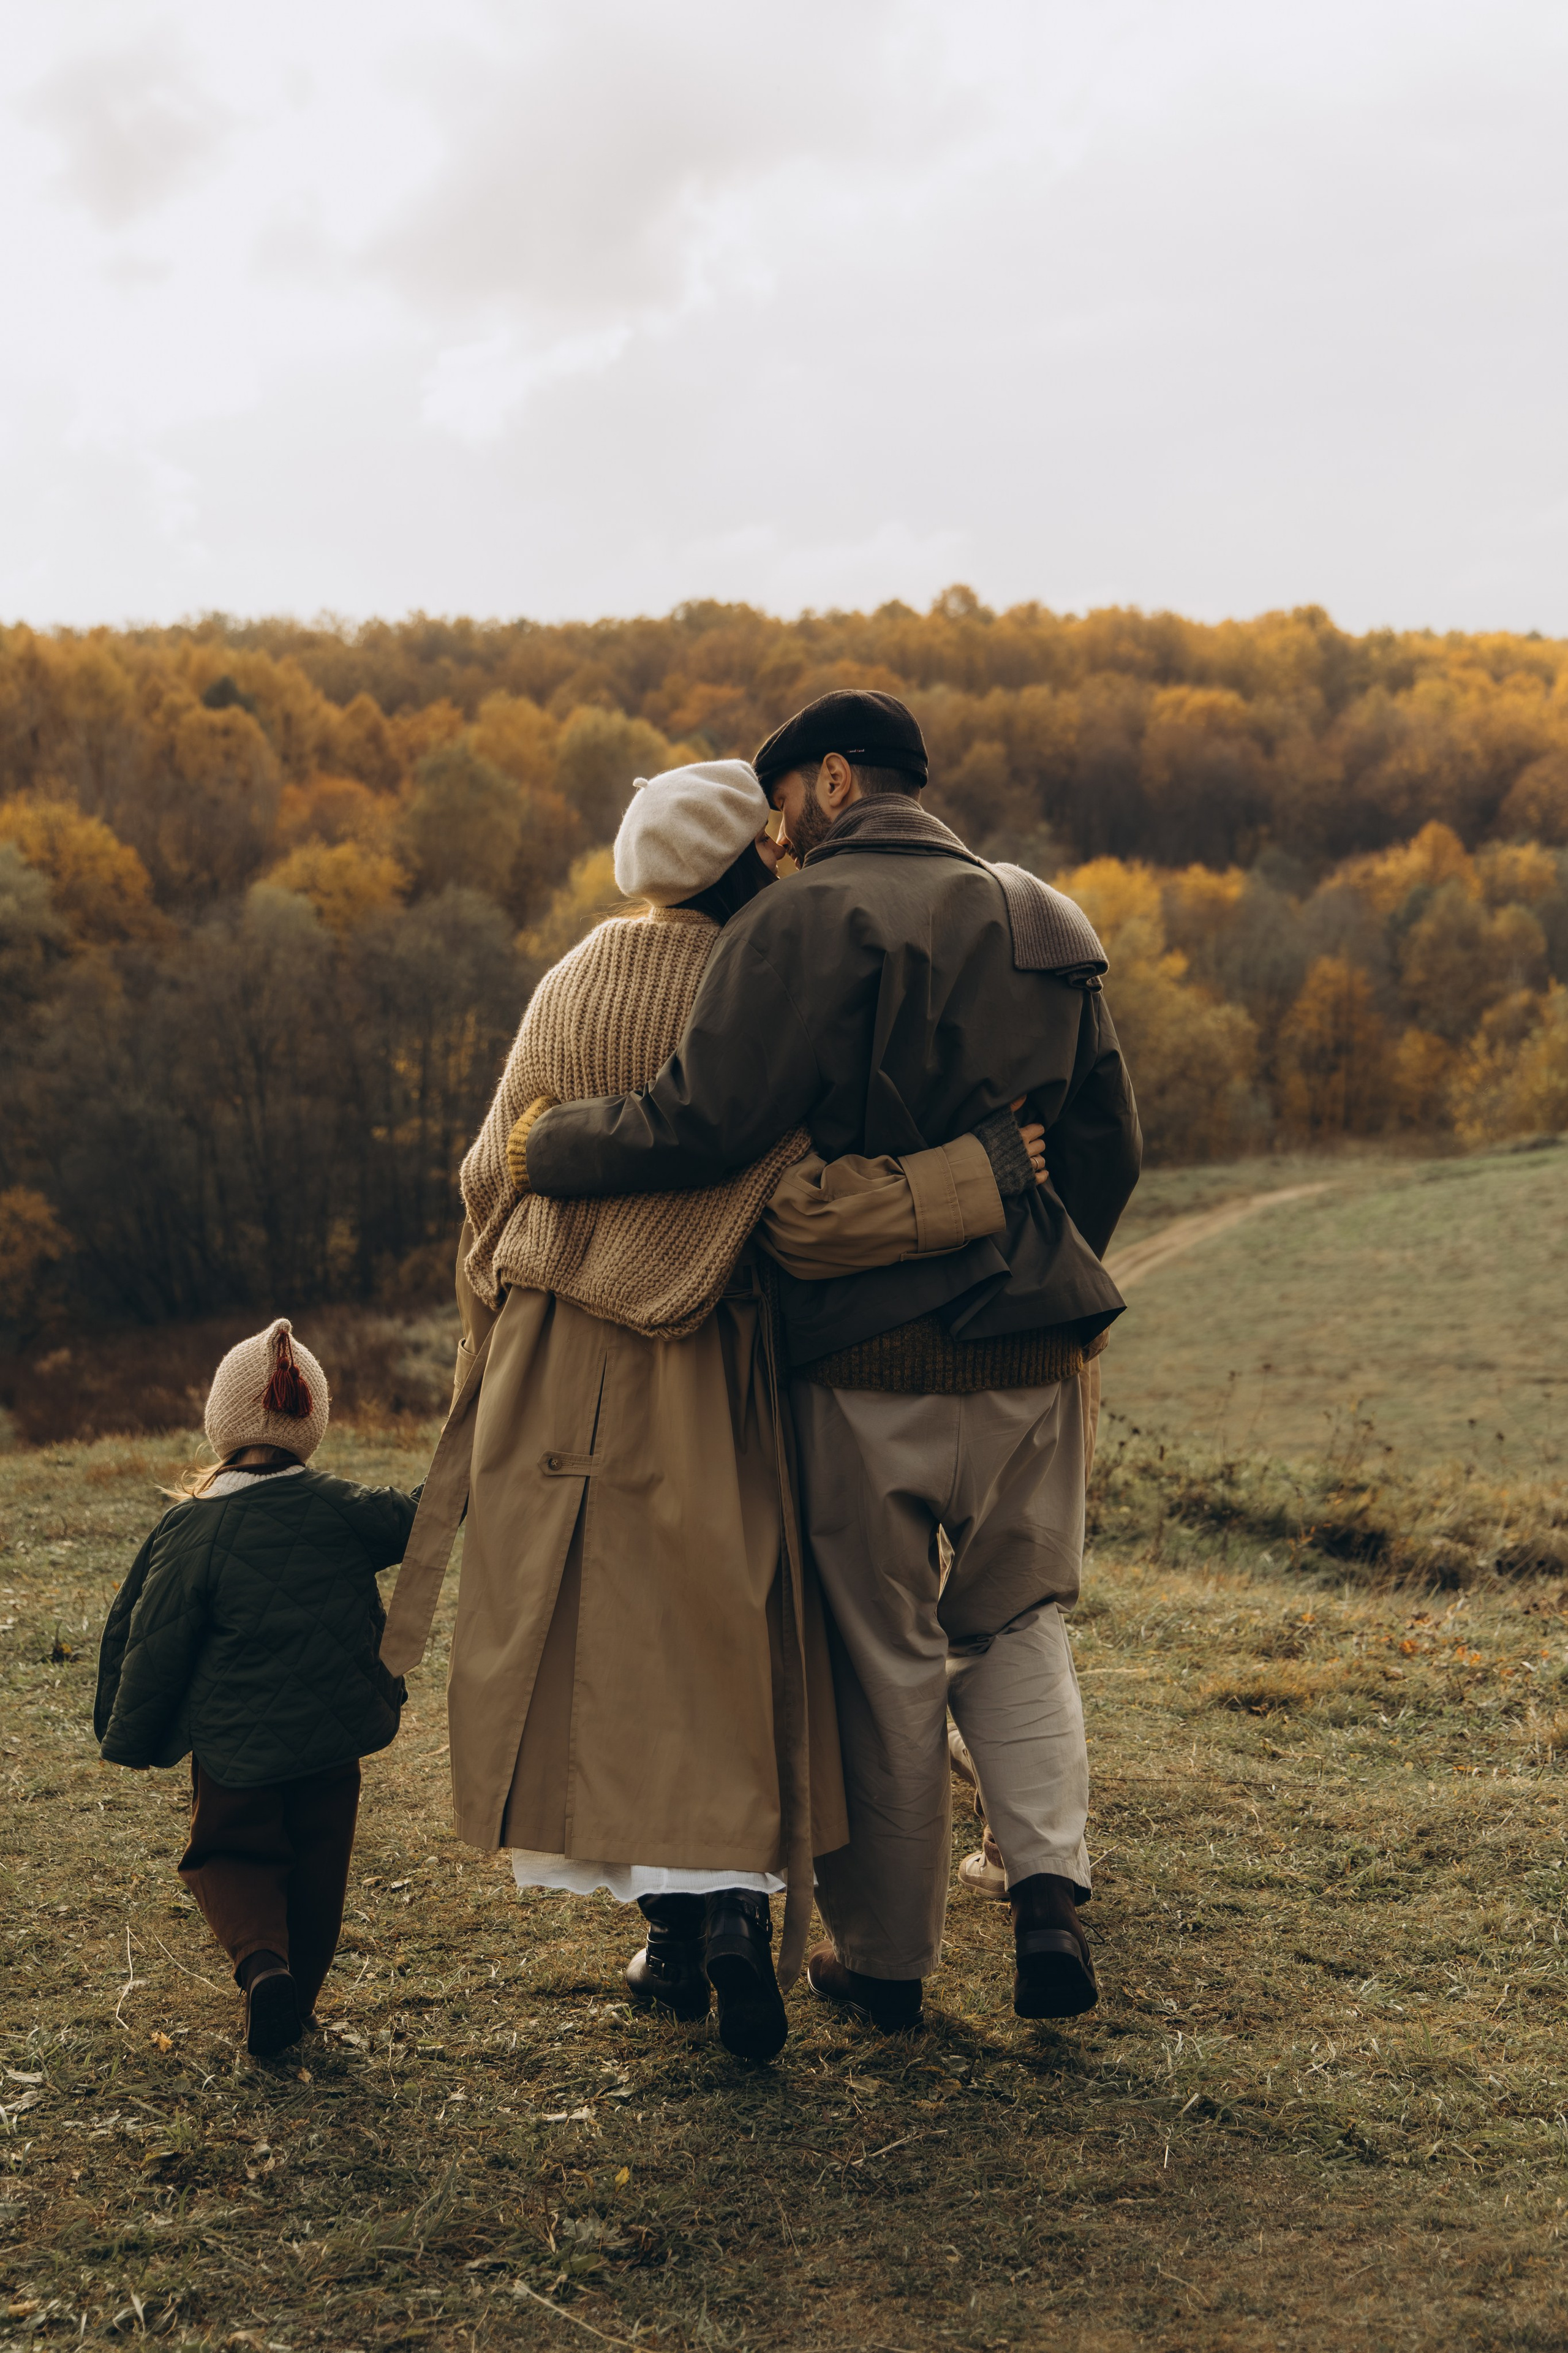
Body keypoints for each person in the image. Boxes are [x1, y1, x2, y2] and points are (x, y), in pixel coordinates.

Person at [381, 760, 1041, 2062]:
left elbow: (484, 1176)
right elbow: (799, 1212)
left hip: (543, 1351)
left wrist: (490, 1345)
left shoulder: (569, 980)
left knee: (597, 1654)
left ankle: (670, 1939)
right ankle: (731, 1916)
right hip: (703, 1351)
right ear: (752, 862)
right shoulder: (757, 983)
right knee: (717, 1642)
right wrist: (975, 1180)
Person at [514, 691, 1142, 2032]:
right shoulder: (1046, 916)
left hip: (869, 1359)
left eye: (783, 792)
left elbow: (699, 1123)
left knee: (884, 1654)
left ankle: (888, 1966)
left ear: (836, 779)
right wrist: (1036, 1271)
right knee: (1017, 1623)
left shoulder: (800, 922)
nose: (777, 827)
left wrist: (550, 1149)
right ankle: (1046, 1906)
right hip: (1033, 1349)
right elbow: (1107, 1151)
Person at [94, 1320, 420, 2058]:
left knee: (230, 1856)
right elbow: (423, 1517)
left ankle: (262, 1967)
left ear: (221, 1422)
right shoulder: (343, 1507)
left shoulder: (194, 1527)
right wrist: (474, 1458)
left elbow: (155, 1638)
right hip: (334, 1737)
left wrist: (132, 1730)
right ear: (315, 1421)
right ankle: (293, 2007)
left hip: (234, 1746)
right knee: (318, 1871)